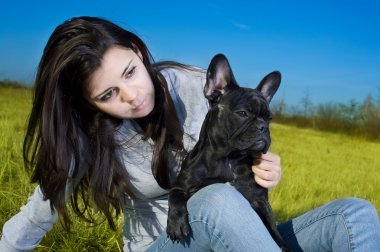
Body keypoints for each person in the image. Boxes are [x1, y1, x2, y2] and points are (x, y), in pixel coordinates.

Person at [0, 16, 379, 252]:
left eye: (130, 72)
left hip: (238, 235)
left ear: (136, 50)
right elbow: (39, 212)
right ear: (90, 104)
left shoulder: (196, 87)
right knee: (216, 200)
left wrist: (265, 168)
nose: (132, 96)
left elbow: (240, 147)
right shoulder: (87, 136)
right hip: (168, 243)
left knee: (355, 215)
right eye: (108, 94)